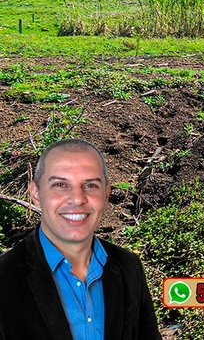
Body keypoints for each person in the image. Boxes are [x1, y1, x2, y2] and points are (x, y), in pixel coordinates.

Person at [0, 138, 162, 340]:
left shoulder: (128, 267)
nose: (77, 199)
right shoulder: (5, 278)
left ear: (105, 194)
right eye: (60, 184)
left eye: (90, 185)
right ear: (36, 193)